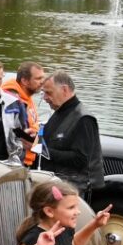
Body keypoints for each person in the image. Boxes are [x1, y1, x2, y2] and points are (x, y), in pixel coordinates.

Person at [39, 71, 103, 200]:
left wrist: (44, 151)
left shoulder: (84, 119)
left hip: (75, 189)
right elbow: (52, 142)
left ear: (64, 90)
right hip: (58, 183)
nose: (45, 98)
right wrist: (33, 140)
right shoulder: (60, 112)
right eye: (43, 93)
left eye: (49, 93)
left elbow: (81, 159)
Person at [4, 61, 46, 166]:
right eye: (38, 79)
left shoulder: (26, 96)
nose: (42, 82)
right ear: (24, 81)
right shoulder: (12, 101)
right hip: (16, 161)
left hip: (27, 159)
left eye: (42, 78)